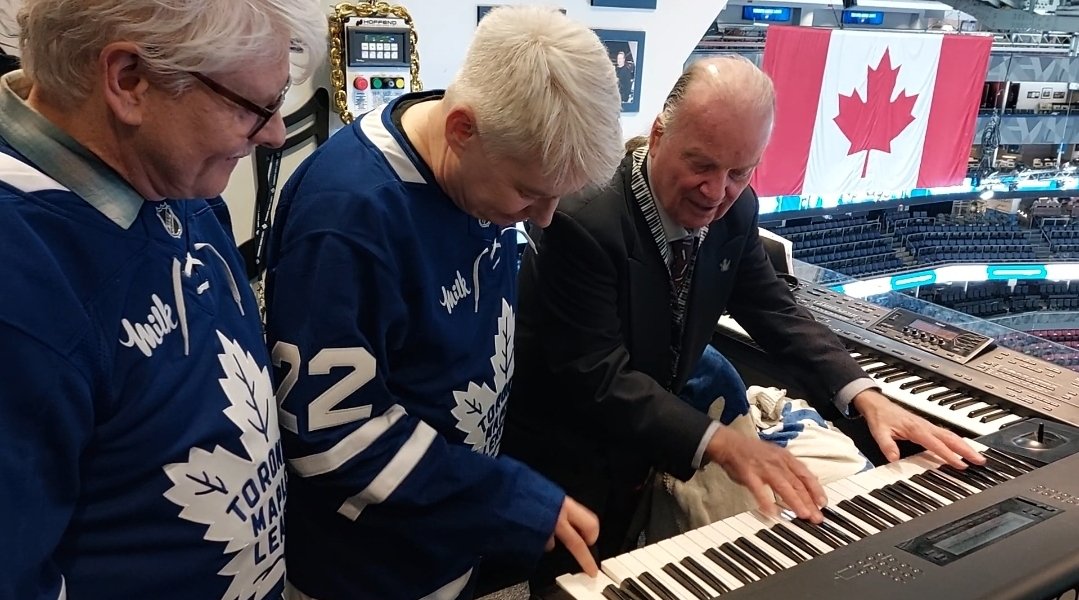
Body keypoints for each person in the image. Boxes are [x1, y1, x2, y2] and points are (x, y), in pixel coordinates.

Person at [502, 55, 987, 593]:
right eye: (701, 165)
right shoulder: (583, 220)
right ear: (659, 135)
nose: (717, 192)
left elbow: (774, 310)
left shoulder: (737, 210)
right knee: (573, 586)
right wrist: (726, 444)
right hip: (568, 451)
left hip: (648, 444)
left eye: (739, 172)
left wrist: (868, 397)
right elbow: (598, 377)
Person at [262, 6, 624, 600]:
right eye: (530, 193)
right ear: (461, 129)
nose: (544, 217)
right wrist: (505, 495)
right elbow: (331, 438)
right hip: (363, 571)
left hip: (449, 539)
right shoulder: (349, 217)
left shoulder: (484, 154)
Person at [0, 1, 325, 599]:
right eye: (258, 107)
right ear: (129, 81)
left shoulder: (175, 182)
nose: (276, 133)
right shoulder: (21, 281)